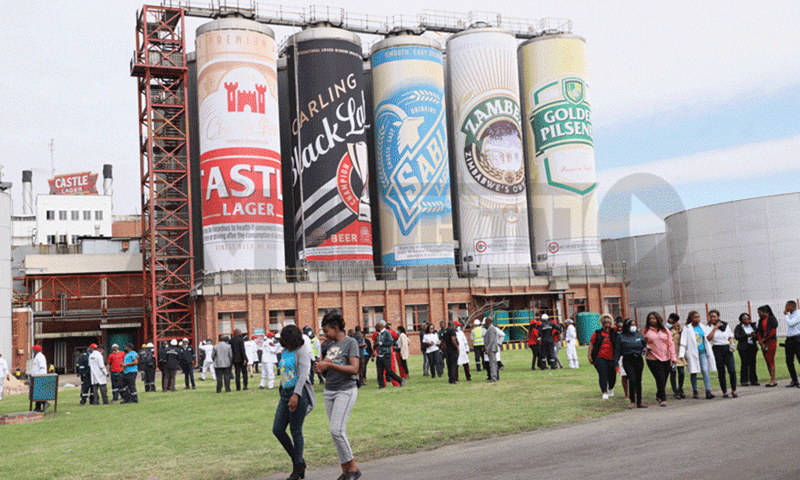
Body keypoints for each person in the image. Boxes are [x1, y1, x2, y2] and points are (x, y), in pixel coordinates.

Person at [315, 312, 362, 480]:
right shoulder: (330, 345)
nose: (324, 335)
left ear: (336, 328)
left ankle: (354, 468)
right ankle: (345, 471)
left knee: (337, 430)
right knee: (336, 433)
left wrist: (330, 364)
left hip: (345, 390)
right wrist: (321, 368)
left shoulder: (351, 342)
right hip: (330, 391)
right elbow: (328, 372)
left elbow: (354, 369)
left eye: (326, 331)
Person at [272, 324, 315, 480]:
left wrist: (296, 395)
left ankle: (297, 466)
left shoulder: (301, 350)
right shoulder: (285, 351)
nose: (283, 341)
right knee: (277, 429)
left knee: (295, 430)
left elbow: (303, 374)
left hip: (299, 393)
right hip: (285, 393)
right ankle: (298, 461)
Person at [679, 310, 716, 399]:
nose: (697, 319)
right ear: (691, 319)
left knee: (705, 370)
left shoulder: (702, 327)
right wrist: (681, 355)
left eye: (698, 317)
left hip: (703, 352)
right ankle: (695, 391)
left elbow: (707, 338)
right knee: (693, 372)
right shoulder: (687, 328)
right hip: (692, 353)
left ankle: (708, 391)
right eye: (695, 317)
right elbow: (683, 342)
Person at [643, 312, 677, 406]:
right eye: (650, 318)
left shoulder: (665, 330)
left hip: (666, 357)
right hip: (652, 358)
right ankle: (663, 399)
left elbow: (670, 343)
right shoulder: (646, 331)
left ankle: (659, 394)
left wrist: (673, 357)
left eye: (654, 318)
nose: (652, 320)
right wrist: (646, 347)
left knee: (664, 379)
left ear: (658, 319)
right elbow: (641, 342)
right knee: (660, 378)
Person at [615, 318, 647, 408]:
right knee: (632, 379)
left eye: (634, 325)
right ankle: (632, 400)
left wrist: (645, 350)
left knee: (638, 380)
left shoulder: (638, 335)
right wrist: (616, 363)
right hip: (628, 359)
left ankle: (639, 402)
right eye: (631, 325)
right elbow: (617, 350)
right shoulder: (621, 337)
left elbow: (644, 344)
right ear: (627, 326)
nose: (633, 327)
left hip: (638, 359)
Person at [706, 310, 737, 398]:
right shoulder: (708, 327)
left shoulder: (725, 325)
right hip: (717, 348)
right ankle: (724, 391)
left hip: (727, 348)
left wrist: (732, 345)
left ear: (718, 317)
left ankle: (734, 390)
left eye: (714, 317)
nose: (712, 318)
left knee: (732, 370)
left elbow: (729, 336)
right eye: (711, 317)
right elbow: (708, 338)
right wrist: (715, 328)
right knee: (721, 371)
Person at [589, 314, 617, 399]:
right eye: (605, 327)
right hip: (600, 357)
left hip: (612, 357)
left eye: (609, 327)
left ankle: (610, 388)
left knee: (612, 375)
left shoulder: (614, 332)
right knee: (603, 374)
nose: (607, 329)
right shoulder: (597, 333)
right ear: (602, 325)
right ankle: (604, 391)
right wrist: (589, 355)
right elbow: (591, 344)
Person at [373, 321, 405, 388]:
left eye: (376, 327)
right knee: (379, 371)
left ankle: (400, 380)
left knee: (388, 371)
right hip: (379, 354)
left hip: (386, 354)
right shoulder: (378, 334)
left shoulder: (387, 333)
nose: (375, 328)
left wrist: (381, 343)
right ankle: (381, 385)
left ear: (380, 327)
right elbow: (376, 343)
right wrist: (373, 350)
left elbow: (390, 343)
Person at [756, 305, 779, 387]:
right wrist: (760, 341)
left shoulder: (772, 319)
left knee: (770, 359)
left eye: (760, 313)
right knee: (767, 360)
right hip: (763, 342)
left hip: (771, 341)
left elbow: (773, 331)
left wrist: (764, 339)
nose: (759, 315)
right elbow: (758, 331)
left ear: (765, 312)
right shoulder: (760, 321)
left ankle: (773, 379)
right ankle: (772, 379)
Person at [734, 313, 759, 387]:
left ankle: (753, 380)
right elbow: (737, 336)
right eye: (744, 318)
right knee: (744, 363)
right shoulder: (739, 327)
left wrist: (755, 336)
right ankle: (744, 381)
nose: (746, 319)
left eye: (747, 318)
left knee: (753, 363)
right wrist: (747, 335)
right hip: (743, 347)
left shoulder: (753, 326)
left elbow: (758, 336)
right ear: (741, 319)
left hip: (752, 346)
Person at [668, 313, 687, 398]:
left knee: (681, 372)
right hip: (670, 354)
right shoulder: (667, 330)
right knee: (673, 372)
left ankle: (680, 388)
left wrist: (680, 330)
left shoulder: (679, 330)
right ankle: (675, 391)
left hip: (679, 354)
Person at [783, 300, 800, 388]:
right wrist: (787, 315)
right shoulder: (790, 314)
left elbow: (791, 323)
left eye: (786, 306)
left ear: (791, 306)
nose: (785, 307)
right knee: (789, 361)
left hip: (797, 338)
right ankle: (794, 380)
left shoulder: (798, 313)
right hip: (789, 339)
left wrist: (786, 315)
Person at [483, 316, 503, 382]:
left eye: (486, 321)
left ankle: (494, 378)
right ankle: (494, 377)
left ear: (489, 321)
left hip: (492, 349)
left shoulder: (491, 328)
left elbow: (491, 340)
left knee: (492, 364)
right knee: (493, 364)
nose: (485, 322)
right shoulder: (490, 328)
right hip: (491, 348)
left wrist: (487, 349)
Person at [30, 345, 50, 412]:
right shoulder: (37, 356)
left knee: (38, 391)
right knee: (37, 391)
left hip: (39, 377)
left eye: (33, 349)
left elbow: (42, 368)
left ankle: (44, 403)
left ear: (36, 350)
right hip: (37, 377)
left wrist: (40, 377)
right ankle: (37, 407)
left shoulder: (40, 357)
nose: (33, 350)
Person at [614, 317, 628, 400]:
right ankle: (626, 394)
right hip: (621, 357)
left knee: (632, 376)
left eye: (621, 326)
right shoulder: (615, 335)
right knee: (624, 376)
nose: (620, 328)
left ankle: (634, 392)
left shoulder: (628, 334)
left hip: (629, 356)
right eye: (618, 326)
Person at [442, 319, 459, 384]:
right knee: (453, 365)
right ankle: (453, 380)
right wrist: (457, 348)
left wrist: (445, 348)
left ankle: (450, 379)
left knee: (449, 365)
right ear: (453, 325)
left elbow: (442, 341)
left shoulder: (445, 331)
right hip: (453, 350)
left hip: (447, 350)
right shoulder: (452, 330)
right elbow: (453, 340)